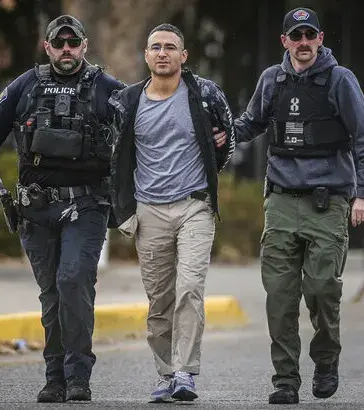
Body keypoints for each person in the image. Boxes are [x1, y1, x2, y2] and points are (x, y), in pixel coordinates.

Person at [0, 15, 125, 403]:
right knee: (52, 294)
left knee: (73, 281)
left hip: (87, 204)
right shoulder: (25, 85)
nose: (66, 49)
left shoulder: (108, 88)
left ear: (85, 46)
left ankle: (78, 376)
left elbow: (143, 131)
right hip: (35, 208)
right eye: (60, 43)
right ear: (48, 47)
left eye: (73, 43)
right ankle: (55, 378)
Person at [234, 7, 364, 405]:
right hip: (281, 201)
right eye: (295, 36)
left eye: (309, 35)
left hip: (327, 202)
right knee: (280, 296)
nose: (303, 43)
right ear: (284, 41)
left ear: (320, 39)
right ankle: (285, 380)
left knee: (321, 289)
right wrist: (221, 133)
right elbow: (250, 123)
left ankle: (326, 359)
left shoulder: (340, 80)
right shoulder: (272, 79)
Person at [108, 23, 235, 403]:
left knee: (190, 288)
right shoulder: (127, 102)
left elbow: (227, 141)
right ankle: (166, 374)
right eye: (155, 47)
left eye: (170, 47)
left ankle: (185, 372)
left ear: (184, 55)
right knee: (159, 301)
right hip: (149, 210)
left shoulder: (205, 94)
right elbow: (116, 157)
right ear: (146, 55)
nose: (162, 53)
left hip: (195, 205)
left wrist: (214, 159)